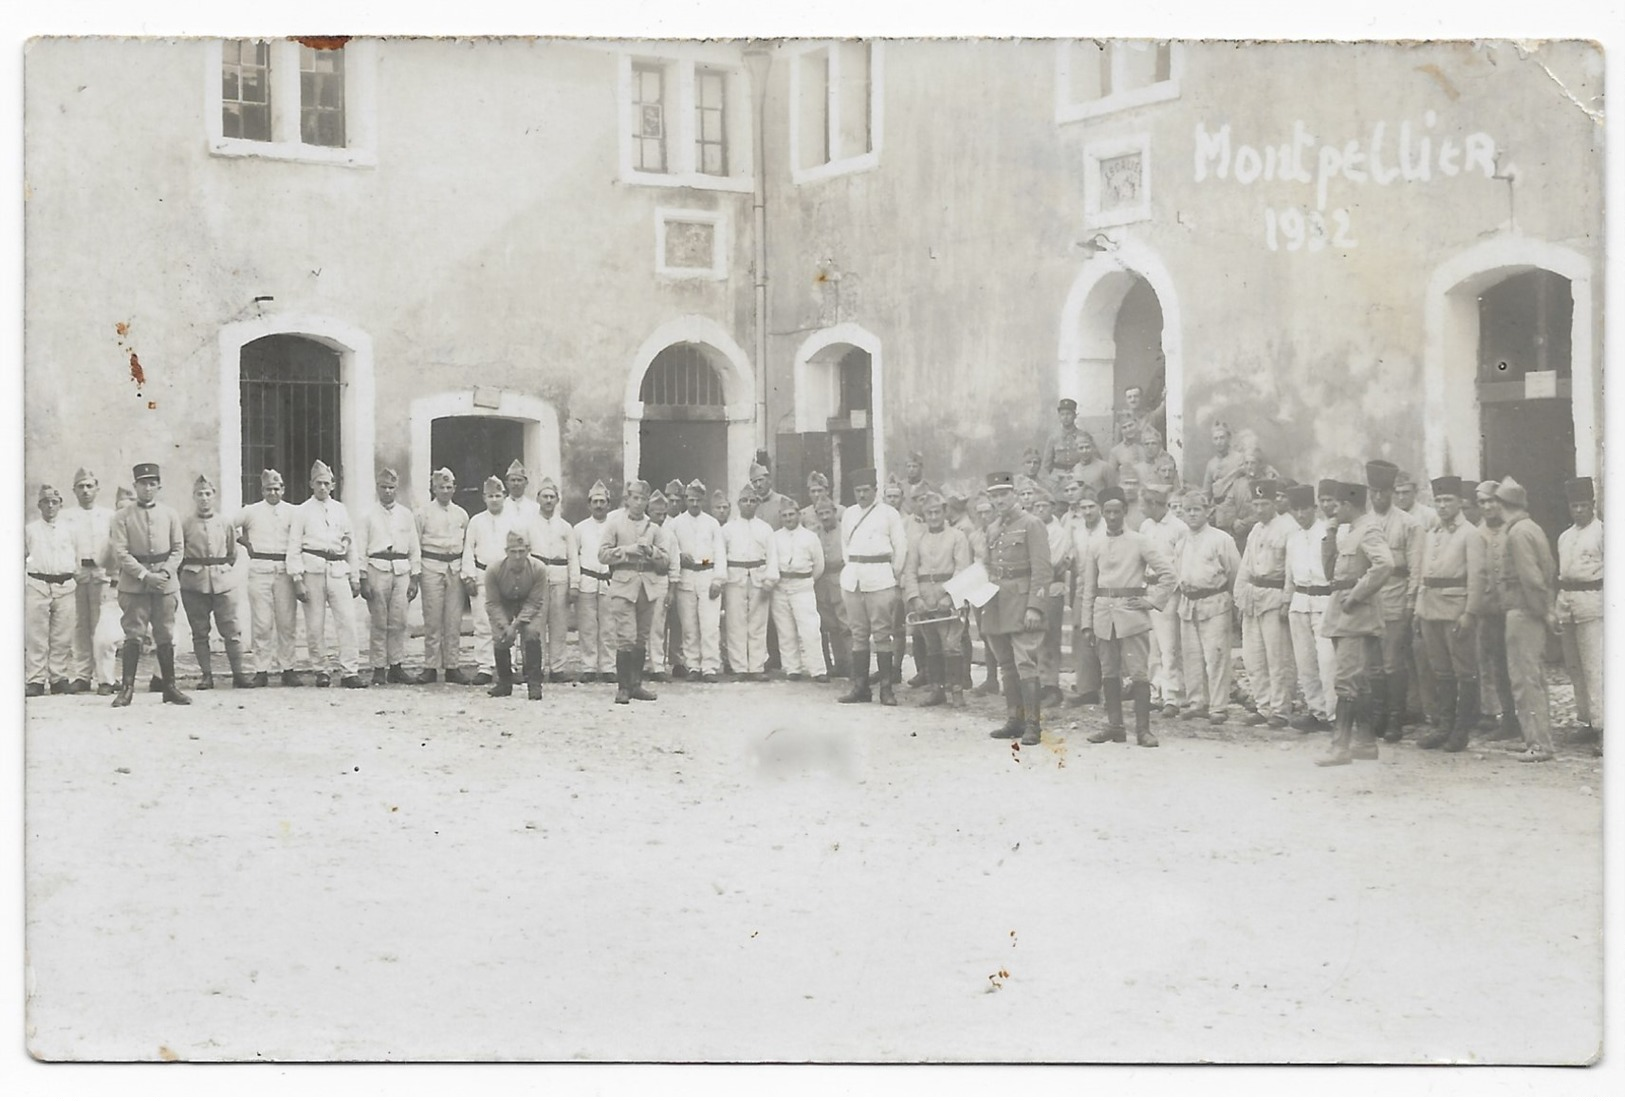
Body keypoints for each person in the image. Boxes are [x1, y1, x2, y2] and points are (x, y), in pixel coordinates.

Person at [1080, 486, 1177, 746]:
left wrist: (1151, 601)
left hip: (1131, 615)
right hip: (1103, 616)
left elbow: (1169, 574)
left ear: (1125, 511)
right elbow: (1089, 587)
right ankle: (1115, 726)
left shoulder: (1140, 541)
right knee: (1109, 673)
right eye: (1108, 512)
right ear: (1102, 513)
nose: (1112, 517)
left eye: (1117, 512)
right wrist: (1086, 623)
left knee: (1138, 674)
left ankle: (1143, 731)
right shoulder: (1095, 544)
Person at [1315, 481, 1394, 766]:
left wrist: (1357, 595)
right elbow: (1330, 574)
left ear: (1349, 504)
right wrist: (1331, 531)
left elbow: (1385, 564)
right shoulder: (1349, 532)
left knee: (1346, 680)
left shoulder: (1369, 529)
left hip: (1356, 614)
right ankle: (1365, 742)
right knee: (1358, 680)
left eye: (1337, 505)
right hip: (1343, 614)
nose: (1332, 510)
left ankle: (1340, 747)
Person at [1488, 477, 1558, 763]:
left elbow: (1531, 578)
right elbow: (1548, 570)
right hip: (1530, 611)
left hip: (1523, 612)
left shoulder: (1517, 534)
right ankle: (1537, 738)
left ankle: (1539, 744)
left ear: (1503, 505)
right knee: (1534, 678)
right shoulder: (1532, 529)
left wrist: (1543, 611)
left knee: (1524, 680)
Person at [1413, 476, 1486, 752]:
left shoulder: (1470, 534)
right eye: (1438, 501)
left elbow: (1477, 577)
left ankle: (1461, 730)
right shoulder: (1432, 534)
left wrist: (1470, 613)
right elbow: (1423, 575)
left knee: (1464, 671)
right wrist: (1419, 611)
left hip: (1456, 610)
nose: (1442, 506)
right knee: (1441, 671)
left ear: (1460, 503)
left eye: (1448, 500)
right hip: (1430, 609)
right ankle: (1444, 726)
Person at [981, 471, 1053, 746]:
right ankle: (1015, 720)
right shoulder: (993, 527)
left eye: (1003, 494)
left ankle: (1033, 725)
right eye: (995, 495)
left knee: (1025, 662)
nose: (999, 500)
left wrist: (1035, 606)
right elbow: (989, 566)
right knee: (1006, 664)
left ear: (1014, 495)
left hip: (1022, 602)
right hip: (997, 602)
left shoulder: (1032, 524)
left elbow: (1042, 569)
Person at [108, 463, 189, 706]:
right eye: (143, 483)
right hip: (135, 585)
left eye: (152, 483)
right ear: (136, 486)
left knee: (165, 634)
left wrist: (164, 572)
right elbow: (120, 552)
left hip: (165, 583)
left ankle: (170, 687)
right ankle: (127, 689)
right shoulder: (121, 517)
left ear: (159, 486)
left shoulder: (170, 514)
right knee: (133, 634)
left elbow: (178, 549)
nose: (148, 488)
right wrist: (144, 575)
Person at [288, 459, 365, 689]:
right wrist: (297, 579)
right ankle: (321, 669)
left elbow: (351, 545)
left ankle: (350, 671)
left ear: (333, 485)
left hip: (338, 570)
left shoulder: (341, 510)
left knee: (348, 622)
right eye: (318, 483)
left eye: (327, 483)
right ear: (311, 484)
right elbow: (294, 546)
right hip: (312, 570)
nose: (322, 487)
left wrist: (355, 576)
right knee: (314, 624)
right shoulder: (301, 511)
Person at [597, 478, 673, 704]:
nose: (638, 503)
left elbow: (666, 561)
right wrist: (627, 550)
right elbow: (602, 554)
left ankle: (636, 685)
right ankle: (623, 688)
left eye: (643, 499)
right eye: (635, 498)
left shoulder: (656, 529)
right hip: (623, 584)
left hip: (647, 587)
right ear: (627, 499)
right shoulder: (615, 524)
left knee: (641, 638)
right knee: (626, 638)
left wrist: (652, 552)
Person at [837, 466, 909, 706]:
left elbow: (901, 548)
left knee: (881, 633)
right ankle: (860, 687)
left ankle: (886, 689)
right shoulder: (849, 514)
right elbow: (845, 545)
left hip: (880, 577)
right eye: (858, 491)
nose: (862, 495)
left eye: (866, 490)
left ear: (875, 490)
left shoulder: (889, 514)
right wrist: (854, 568)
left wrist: (893, 574)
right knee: (858, 633)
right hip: (854, 578)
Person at [1365, 459, 1423, 741]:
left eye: (1384, 492)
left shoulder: (1408, 524)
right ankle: (1378, 715)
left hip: (1396, 598)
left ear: (1392, 492)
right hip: (1369, 601)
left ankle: (1395, 719)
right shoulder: (1363, 523)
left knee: (1392, 663)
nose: (1379, 497)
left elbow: (1416, 567)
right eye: (1374, 492)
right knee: (1373, 665)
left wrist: (1411, 604)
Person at [1173, 489, 1241, 725]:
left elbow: (1234, 573)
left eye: (1196, 509)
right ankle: (1197, 702)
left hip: (1215, 602)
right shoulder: (1181, 541)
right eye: (1187, 510)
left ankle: (1219, 706)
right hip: (1188, 602)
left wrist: (1233, 603)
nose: (1191, 514)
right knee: (1192, 656)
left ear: (1208, 511)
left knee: (1216, 656)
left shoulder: (1221, 539)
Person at [178, 474, 250, 690]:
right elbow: (179, 553)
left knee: (232, 630)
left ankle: (238, 674)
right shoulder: (186, 524)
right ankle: (206, 675)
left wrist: (221, 569)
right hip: (194, 584)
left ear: (214, 496)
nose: (204, 498)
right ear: (194, 497)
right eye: (199, 494)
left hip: (223, 582)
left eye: (208, 494)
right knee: (200, 632)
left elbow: (231, 552)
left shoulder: (225, 523)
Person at [902, 491, 972, 708]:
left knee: (951, 646)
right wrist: (914, 597)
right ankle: (936, 690)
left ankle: (957, 692)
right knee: (932, 646)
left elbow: (962, 568)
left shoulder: (957, 536)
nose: (933, 516)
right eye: (929, 513)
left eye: (937, 512)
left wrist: (950, 596)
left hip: (948, 599)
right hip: (926, 599)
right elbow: (910, 571)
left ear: (944, 512)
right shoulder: (917, 539)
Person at [1235, 479, 1294, 728]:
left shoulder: (1286, 528)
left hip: (1274, 594)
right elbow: (1245, 566)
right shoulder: (1255, 530)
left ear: (1274, 502)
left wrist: (1286, 600)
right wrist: (1239, 598)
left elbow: (1291, 569)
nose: (1260, 509)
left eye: (1265, 504)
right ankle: (1263, 705)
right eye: (1256, 504)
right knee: (1253, 656)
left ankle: (1281, 709)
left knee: (1277, 657)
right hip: (1252, 595)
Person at [236, 468, 301, 687]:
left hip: (284, 569)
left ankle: (288, 669)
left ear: (283, 489)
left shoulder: (293, 512)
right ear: (262, 490)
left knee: (286, 622)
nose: (272, 492)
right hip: (260, 569)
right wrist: (244, 542)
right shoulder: (251, 511)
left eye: (276, 488)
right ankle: (261, 669)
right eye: (268, 489)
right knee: (262, 623)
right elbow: (227, 525)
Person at [1282, 482, 1338, 733]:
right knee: (1306, 663)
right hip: (1300, 602)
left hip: (1324, 600)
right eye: (1296, 509)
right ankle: (1317, 712)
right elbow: (1289, 575)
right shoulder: (1292, 539)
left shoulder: (1327, 533)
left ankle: (1335, 715)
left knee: (1328, 661)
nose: (1301, 514)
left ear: (1314, 508)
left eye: (1305, 509)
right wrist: (1287, 601)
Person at [359, 467, 421, 686]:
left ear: (397, 489)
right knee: (379, 621)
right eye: (383, 487)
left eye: (391, 488)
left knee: (399, 621)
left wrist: (415, 577)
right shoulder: (367, 515)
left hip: (401, 569)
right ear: (377, 488)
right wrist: (363, 577)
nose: (387, 491)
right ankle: (378, 668)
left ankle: (396, 666)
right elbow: (360, 548)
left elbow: (414, 547)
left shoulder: (406, 515)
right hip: (377, 567)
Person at [1555, 477, 1603, 753]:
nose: (1579, 511)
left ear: (1593, 505)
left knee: (1595, 667)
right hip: (1568, 603)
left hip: (1593, 602)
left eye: (1584, 505)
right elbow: (1562, 575)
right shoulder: (1565, 537)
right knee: (1575, 668)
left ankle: (1605, 727)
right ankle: (1586, 720)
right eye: (1575, 506)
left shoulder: (1602, 533)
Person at [463, 476, 522, 687]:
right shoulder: (476, 521)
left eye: (498, 495)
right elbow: (468, 549)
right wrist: (468, 576)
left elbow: (519, 551)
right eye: (490, 496)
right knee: (482, 622)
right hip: (482, 574)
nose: (494, 500)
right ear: (484, 498)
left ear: (505, 497)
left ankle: (510, 666)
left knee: (507, 621)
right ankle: (484, 667)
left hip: (507, 575)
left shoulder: (514, 520)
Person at [415, 468, 470, 684]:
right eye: (441, 487)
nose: (445, 491)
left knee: (453, 619)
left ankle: (452, 666)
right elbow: (416, 543)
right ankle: (430, 666)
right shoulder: (423, 513)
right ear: (433, 489)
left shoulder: (461, 514)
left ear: (454, 488)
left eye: (449, 487)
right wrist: (417, 572)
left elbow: (465, 545)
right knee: (432, 618)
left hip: (454, 567)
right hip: (431, 566)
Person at [667, 478, 725, 683]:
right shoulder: (675, 524)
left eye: (698, 500)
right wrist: (681, 556)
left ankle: (709, 666)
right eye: (690, 499)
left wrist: (718, 579)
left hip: (707, 574)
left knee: (709, 624)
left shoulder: (712, 523)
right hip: (685, 577)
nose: (694, 504)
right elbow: (670, 551)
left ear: (703, 500)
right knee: (689, 625)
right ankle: (693, 665)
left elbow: (719, 553)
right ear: (685, 500)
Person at [64, 467, 115, 693]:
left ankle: (105, 679)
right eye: (81, 487)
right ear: (74, 490)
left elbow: (115, 548)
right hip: (78, 574)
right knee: (80, 626)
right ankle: (82, 675)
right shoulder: (66, 517)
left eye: (89, 486)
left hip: (102, 574)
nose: (85, 491)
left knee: (101, 627)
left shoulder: (109, 516)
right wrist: (72, 570)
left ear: (97, 489)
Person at [25, 483, 79, 696]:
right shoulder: (30, 530)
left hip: (65, 585)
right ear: (39, 505)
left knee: (62, 635)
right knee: (36, 636)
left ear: (60, 504)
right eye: (45, 502)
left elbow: (78, 555)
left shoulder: (70, 529)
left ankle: (58, 678)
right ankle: (35, 679)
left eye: (54, 502)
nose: (50, 506)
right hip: (37, 585)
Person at [1139, 483, 1188, 717]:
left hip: (1168, 591)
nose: (1141, 507)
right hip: (1147, 587)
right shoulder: (1146, 527)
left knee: (1169, 646)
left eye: (1144, 503)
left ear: (1154, 504)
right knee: (1153, 647)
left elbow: (1180, 564)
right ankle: (1155, 693)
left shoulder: (1179, 528)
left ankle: (1173, 696)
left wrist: (1168, 590)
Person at [721, 486, 779, 681]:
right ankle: (739, 667)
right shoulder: (727, 529)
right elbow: (717, 557)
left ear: (757, 503)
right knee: (735, 622)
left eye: (752, 501)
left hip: (758, 576)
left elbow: (772, 557)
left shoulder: (765, 528)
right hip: (734, 576)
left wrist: (770, 581)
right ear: (738, 504)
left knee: (758, 623)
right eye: (744, 501)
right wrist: (719, 578)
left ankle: (756, 666)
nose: (748, 504)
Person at [524, 475, 578, 684]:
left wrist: (574, 585)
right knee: (534, 626)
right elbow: (524, 554)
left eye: (552, 497)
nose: (548, 500)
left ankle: (558, 668)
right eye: (544, 496)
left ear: (557, 500)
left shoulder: (565, 527)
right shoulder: (528, 525)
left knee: (558, 625)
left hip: (560, 577)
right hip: (536, 579)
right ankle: (534, 669)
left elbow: (573, 556)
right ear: (538, 499)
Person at [483, 528, 547, 700]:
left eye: (521, 551)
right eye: (513, 552)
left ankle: (534, 683)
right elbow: (492, 603)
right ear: (506, 552)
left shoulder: (539, 569)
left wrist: (516, 625)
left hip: (528, 603)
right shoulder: (493, 570)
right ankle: (504, 682)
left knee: (532, 633)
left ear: (528, 551)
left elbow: (535, 602)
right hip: (504, 603)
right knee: (500, 636)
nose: (518, 556)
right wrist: (506, 627)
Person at [770, 497, 827, 682]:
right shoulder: (775, 537)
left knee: (810, 629)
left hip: (803, 586)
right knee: (785, 630)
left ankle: (818, 670)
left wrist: (807, 580)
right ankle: (792, 668)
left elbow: (819, 565)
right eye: (785, 515)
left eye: (791, 514)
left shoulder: (810, 537)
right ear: (781, 517)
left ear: (799, 515)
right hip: (780, 586)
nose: (788, 519)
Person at [572, 480, 616, 684]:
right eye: (595, 501)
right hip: (587, 580)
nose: (599, 505)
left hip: (609, 581)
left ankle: (608, 666)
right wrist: (575, 582)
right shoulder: (580, 529)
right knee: (588, 626)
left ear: (609, 504)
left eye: (603, 501)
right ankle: (588, 666)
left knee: (608, 626)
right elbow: (573, 557)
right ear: (589, 505)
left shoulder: (614, 526)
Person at [1065, 486, 1105, 705]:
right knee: (1081, 634)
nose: (1088, 512)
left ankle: (1107, 686)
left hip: (1103, 587)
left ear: (1098, 507)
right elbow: (1072, 556)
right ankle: (1087, 688)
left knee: (1104, 637)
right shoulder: (1077, 529)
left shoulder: (1106, 527)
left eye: (1091, 507)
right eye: (1083, 508)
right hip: (1082, 586)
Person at [1033, 493, 1070, 709]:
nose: (1039, 509)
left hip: (1051, 588)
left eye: (1043, 506)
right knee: (1035, 637)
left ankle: (1052, 686)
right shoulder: (1033, 528)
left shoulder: (1058, 532)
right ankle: (1039, 682)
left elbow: (1052, 562)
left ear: (1052, 507)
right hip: (1034, 588)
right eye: (1036, 506)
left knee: (1050, 638)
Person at [812, 496, 852, 679]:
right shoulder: (816, 534)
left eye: (828, 512)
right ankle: (839, 663)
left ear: (835, 513)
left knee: (846, 624)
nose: (825, 517)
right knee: (830, 625)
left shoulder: (845, 531)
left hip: (841, 577)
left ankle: (853, 664)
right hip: (822, 581)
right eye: (821, 514)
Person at [1200, 420, 1245, 520]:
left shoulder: (1239, 458)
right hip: (1218, 512)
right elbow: (1206, 493)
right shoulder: (1211, 464)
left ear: (1229, 438)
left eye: (1222, 438)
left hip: (1237, 510)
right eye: (1215, 439)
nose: (1219, 442)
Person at [1041, 398, 1088, 489]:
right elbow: (1046, 464)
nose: (1065, 417)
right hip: (1058, 477)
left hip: (1079, 474)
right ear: (1059, 417)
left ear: (1075, 415)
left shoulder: (1084, 436)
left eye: (1068, 414)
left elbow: (1094, 459)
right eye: (1062, 414)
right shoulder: (1053, 438)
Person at [503, 459, 540, 523]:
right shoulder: (501, 506)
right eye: (513, 480)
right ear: (507, 484)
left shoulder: (535, 508)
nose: (516, 483)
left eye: (519, 480)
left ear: (526, 483)